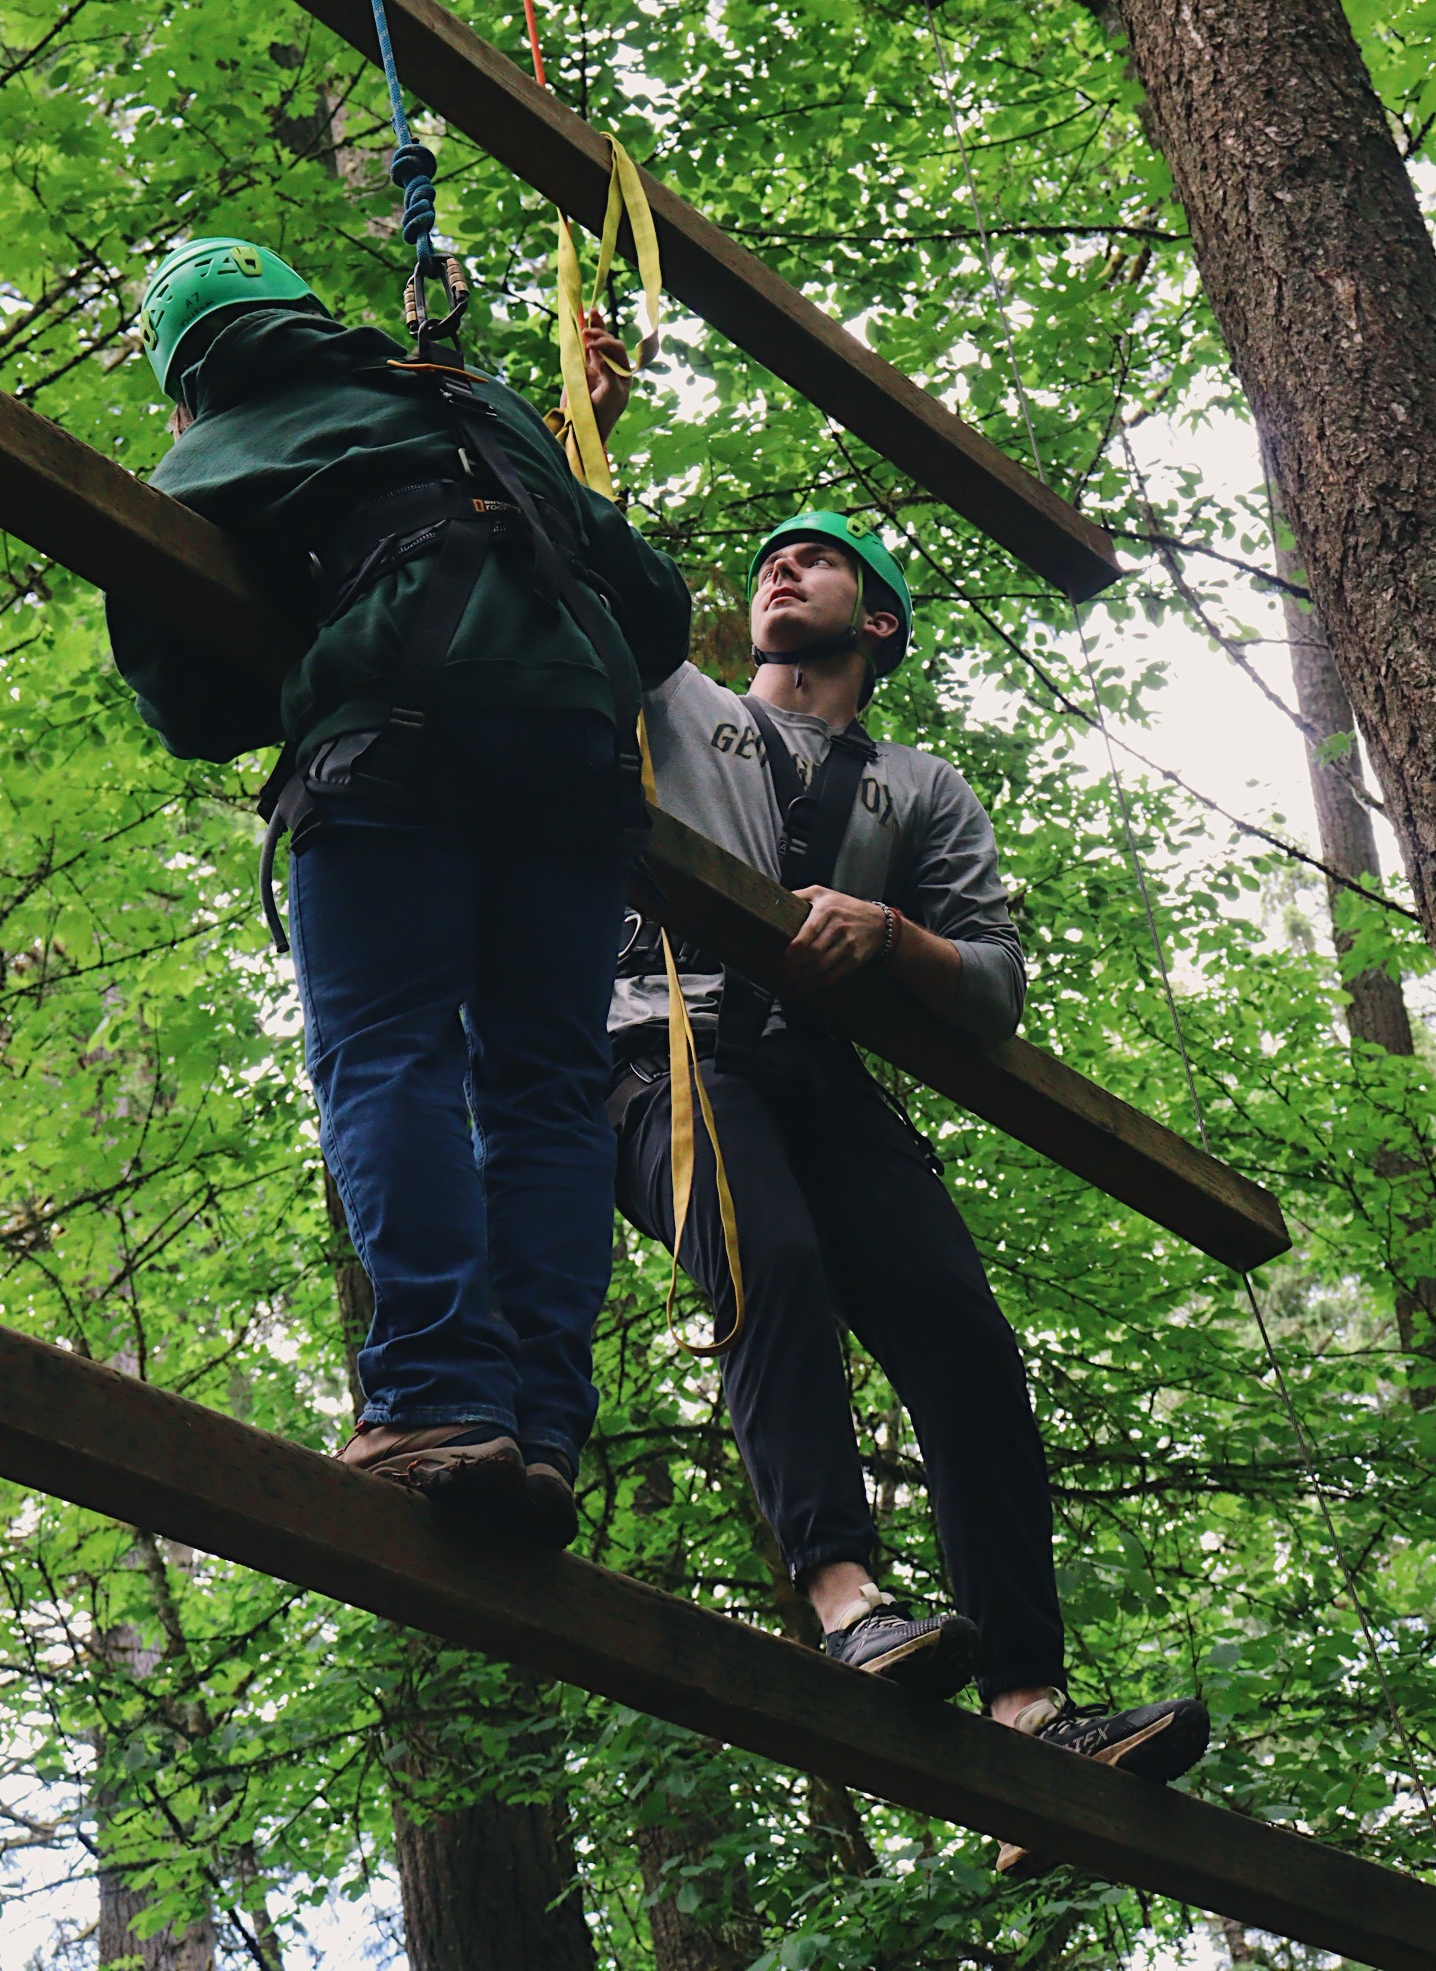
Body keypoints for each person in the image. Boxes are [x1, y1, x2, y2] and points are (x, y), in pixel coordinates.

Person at [607, 506, 1209, 1867]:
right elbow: (588, 574)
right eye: (771, 563)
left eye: (816, 562)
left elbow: (992, 987)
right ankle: (843, 1598)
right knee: (774, 1258)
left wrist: (893, 934)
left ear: (877, 622)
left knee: (967, 1345)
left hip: (824, 1073)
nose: (781, 570)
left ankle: (1029, 1701)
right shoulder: (673, 698)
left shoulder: (918, 791)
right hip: (666, 1046)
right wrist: (592, 414)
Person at [108, 236, 689, 1545]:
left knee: (389, 1059)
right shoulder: (466, 402)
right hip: (580, 770)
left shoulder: (221, 443)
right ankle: (541, 1428)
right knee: (543, 1087)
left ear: (185, 382)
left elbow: (185, 700)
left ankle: (435, 1397)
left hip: (399, 751)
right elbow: (652, 607)